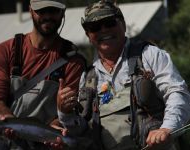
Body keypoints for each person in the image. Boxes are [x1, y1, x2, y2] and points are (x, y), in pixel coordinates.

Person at [57, 0, 190, 150]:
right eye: (95, 27)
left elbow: (177, 92)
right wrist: (65, 114)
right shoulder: (87, 77)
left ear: (123, 24)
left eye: (109, 23)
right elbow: (82, 133)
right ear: (88, 35)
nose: (103, 30)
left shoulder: (148, 55)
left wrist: (167, 128)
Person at [0, 0, 86, 149]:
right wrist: (9, 122)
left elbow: (69, 111)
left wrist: (55, 128)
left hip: (47, 142)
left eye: (53, 11)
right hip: (9, 139)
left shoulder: (73, 60)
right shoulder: (5, 51)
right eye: (41, 11)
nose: (47, 16)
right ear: (31, 11)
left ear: (63, 13)